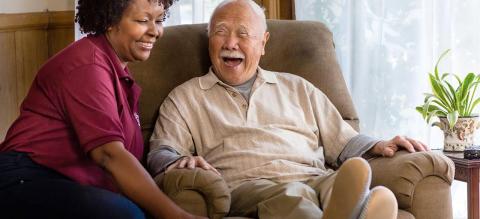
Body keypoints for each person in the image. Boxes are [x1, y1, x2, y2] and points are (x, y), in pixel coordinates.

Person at [148, 0, 429, 218]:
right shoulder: (186, 97)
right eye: (220, 32)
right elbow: (161, 151)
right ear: (210, 39)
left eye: (243, 34)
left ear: (263, 43)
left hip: (314, 178)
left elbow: (344, 141)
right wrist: (174, 161)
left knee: (340, 185)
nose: (230, 43)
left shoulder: (298, 88)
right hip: (247, 185)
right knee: (292, 196)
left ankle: (358, 209)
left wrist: (379, 144)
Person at [0, 0, 206, 218]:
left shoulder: (118, 74)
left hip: (67, 181)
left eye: (159, 20)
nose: (155, 31)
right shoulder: (88, 65)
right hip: (24, 178)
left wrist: (171, 162)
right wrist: (178, 216)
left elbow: (129, 161)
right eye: (143, 20)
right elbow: (109, 155)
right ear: (110, 21)